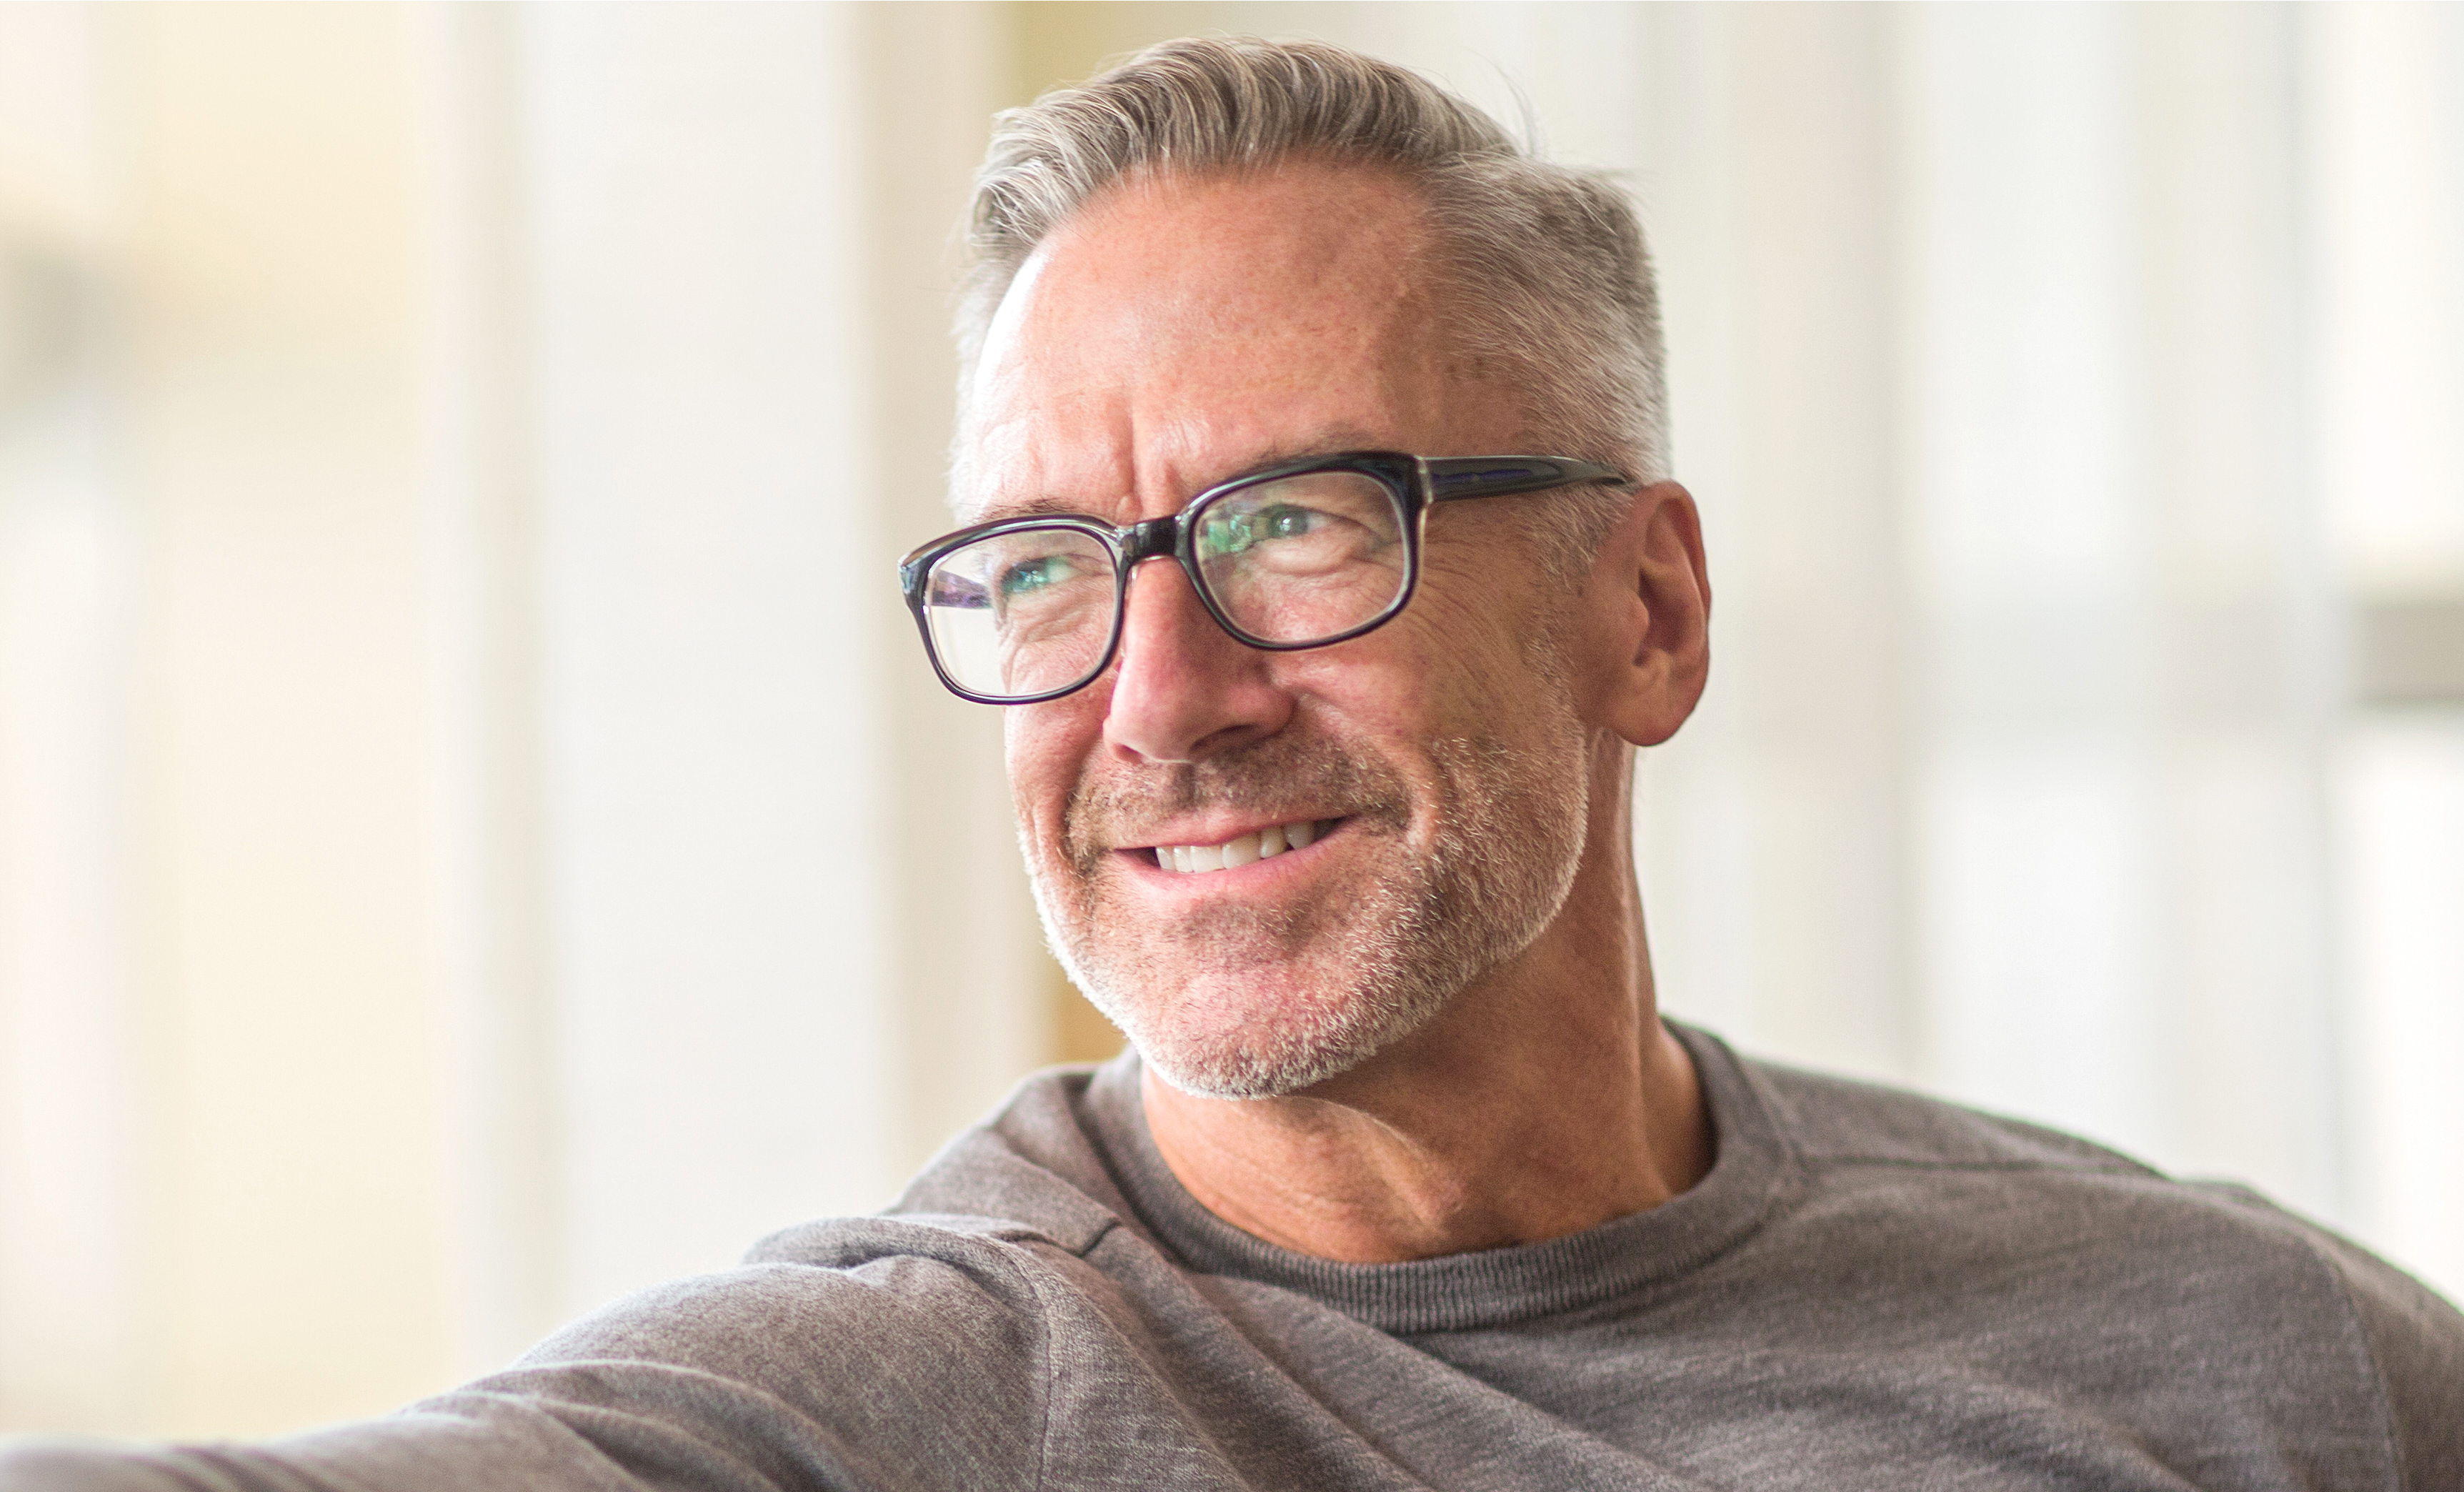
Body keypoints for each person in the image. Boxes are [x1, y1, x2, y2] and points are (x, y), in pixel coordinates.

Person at [6, 35, 2460, 1492]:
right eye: (1045, 566)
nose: (1156, 701)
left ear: (1649, 609)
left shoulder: (2253, 1364)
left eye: (1296, 524)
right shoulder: (909, 1395)